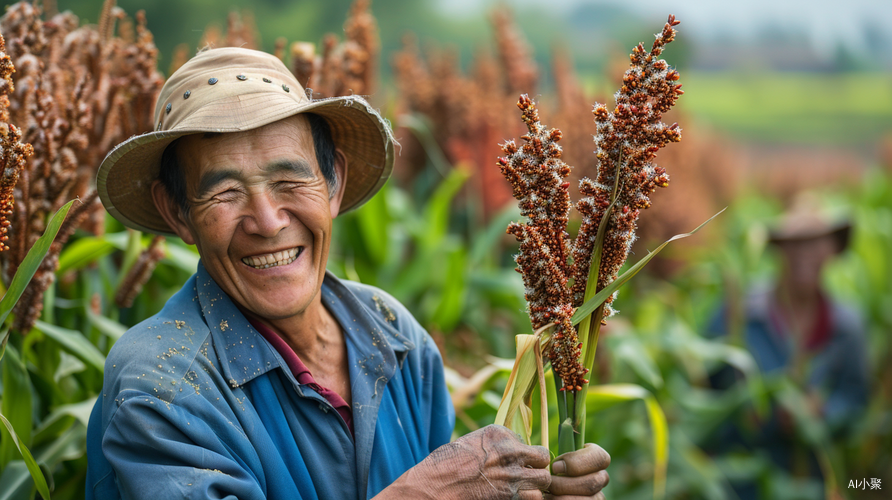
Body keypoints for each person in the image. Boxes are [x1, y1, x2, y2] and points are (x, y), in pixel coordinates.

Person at [84, 47, 611, 500]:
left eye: (290, 179)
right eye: (225, 192)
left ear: (333, 182)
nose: (268, 222)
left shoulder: (394, 334)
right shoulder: (161, 387)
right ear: (178, 212)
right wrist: (422, 493)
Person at [707, 196, 870, 498]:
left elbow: (855, 397)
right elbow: (703, 383)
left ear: (833, 251)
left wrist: (821, 413)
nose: (806, 254)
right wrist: (747, 407)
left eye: (817, 244)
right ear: (778, 249)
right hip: (741, 481)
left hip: (810, 480)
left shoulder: (847, 325)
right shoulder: (739, 312)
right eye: (796, 244)